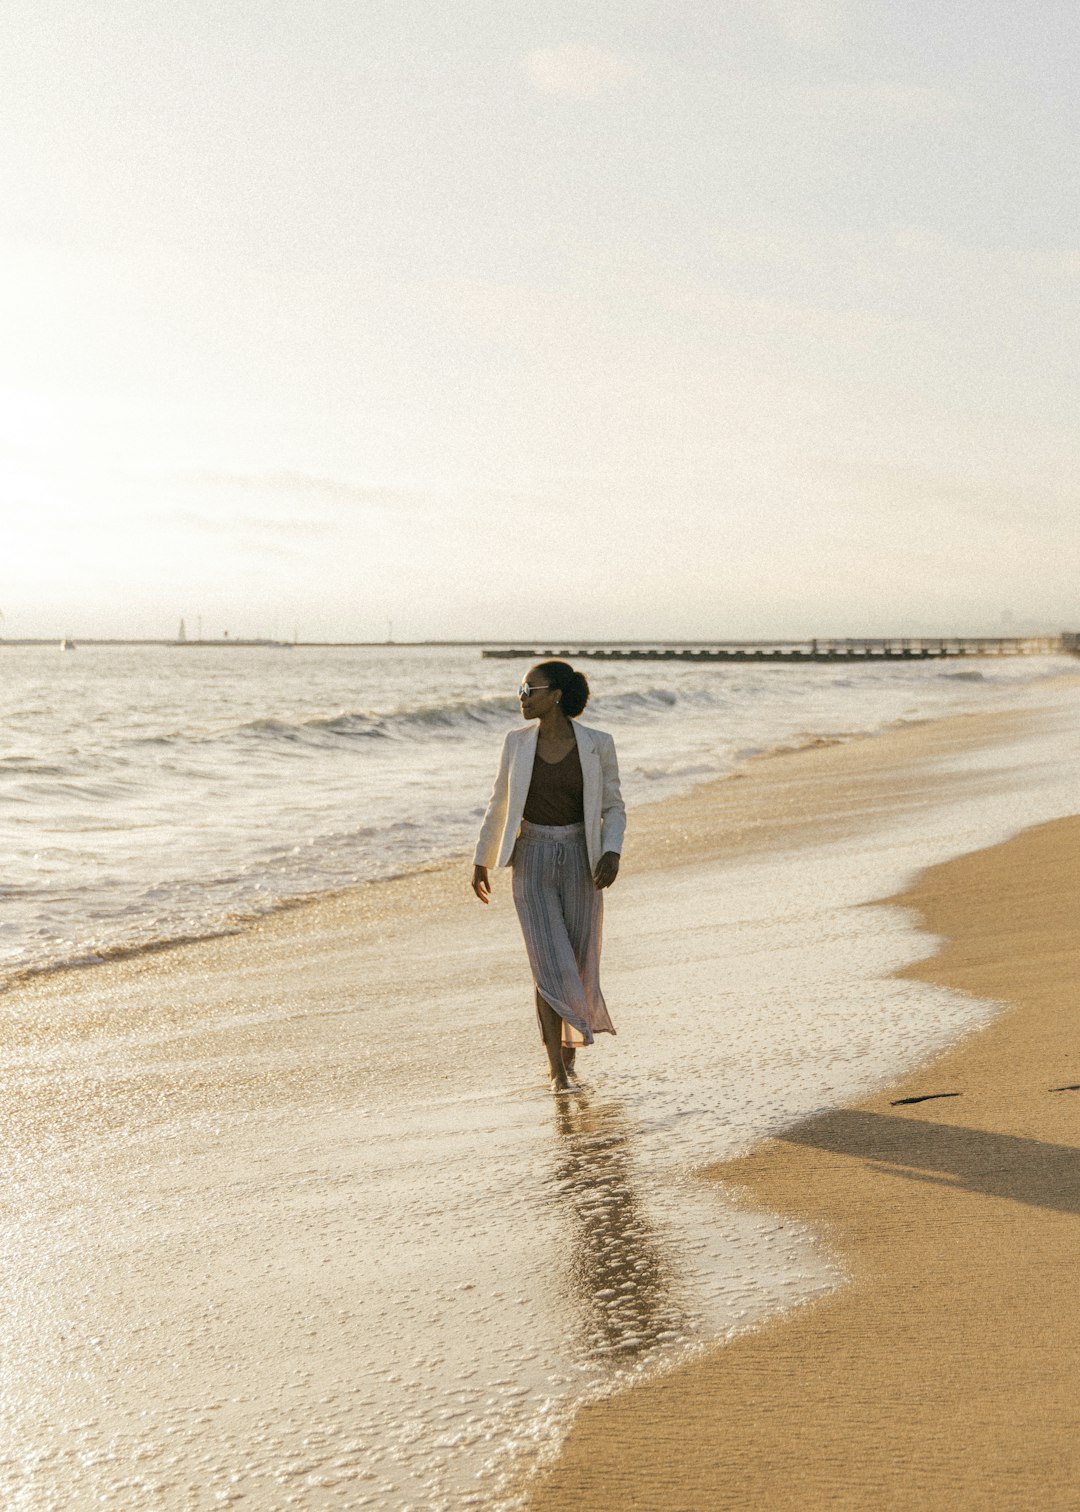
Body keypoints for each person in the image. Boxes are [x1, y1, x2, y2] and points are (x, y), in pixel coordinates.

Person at [471, 661, 626, 1091]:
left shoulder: (598, 744)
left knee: (575, 962)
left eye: (528, 690)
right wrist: (481, 858)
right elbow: (499, 803)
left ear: (555, 695)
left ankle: (570, 1059)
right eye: (521, 691)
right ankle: (556, 1070)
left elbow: (613, 806)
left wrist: (611, 851)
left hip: (583, 858)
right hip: (531, 859)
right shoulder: (516, 744)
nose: (521, 698)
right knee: (548, 963)